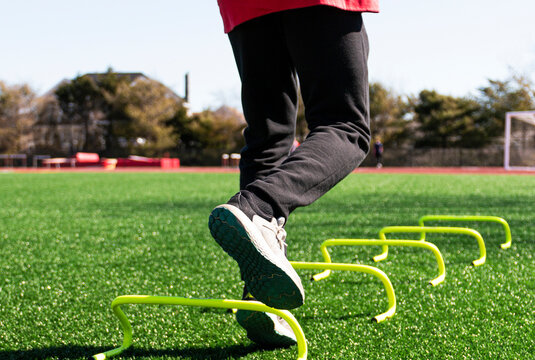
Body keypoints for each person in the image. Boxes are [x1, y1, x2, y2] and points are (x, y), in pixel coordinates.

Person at [209, 0, 378, 347]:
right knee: (345, 126)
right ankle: (259, 208)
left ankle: (260, 297)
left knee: (267, 136)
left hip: (245, 8)